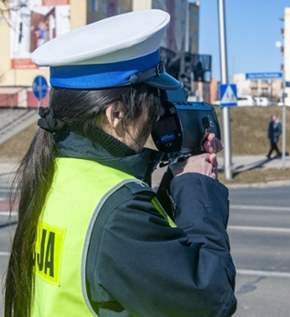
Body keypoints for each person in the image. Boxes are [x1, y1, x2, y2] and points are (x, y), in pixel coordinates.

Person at [4, 10, 237, 317]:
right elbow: (209, 297)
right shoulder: (119, 213)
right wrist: (197, 190)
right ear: (115, 115)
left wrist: (175, 183)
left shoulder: (58, 171)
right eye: (152, 104)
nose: (155, 116)